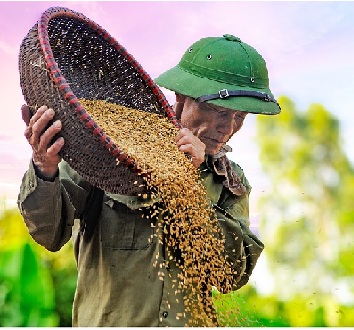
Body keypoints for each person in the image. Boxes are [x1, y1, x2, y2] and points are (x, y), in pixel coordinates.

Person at [17, 34, 281, 326]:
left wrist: (187, 182)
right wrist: (44, 167)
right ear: (182, 97)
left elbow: (231, 274)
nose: (228, 128)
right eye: (219, 112)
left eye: (240, 116)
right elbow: (48, 234)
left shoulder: (229, 180)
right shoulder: (109, 149)